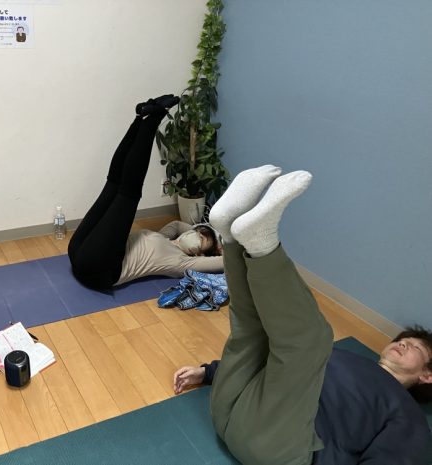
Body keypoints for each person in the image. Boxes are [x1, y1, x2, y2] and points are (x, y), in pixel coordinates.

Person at [173, 165, 432, 465]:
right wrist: (207, 373)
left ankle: (262, 244)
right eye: (401, 340)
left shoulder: (407, 415)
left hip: (281, 445)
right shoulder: (348, 358)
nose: (402, 343)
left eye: (415, 347)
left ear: (427, 375)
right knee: (252, 328)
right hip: (228, 407)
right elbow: (276, 365)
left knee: (313, 340)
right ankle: (229, 234)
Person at [68, 95, 223, 290]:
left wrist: (220, 246)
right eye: (197, 233)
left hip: (98, 270)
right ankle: (140, 118)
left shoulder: (181, 263)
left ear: (199, 254)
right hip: (77, 251)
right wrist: (205, 231)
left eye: (200, 239)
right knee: (113, 183)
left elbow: (224, 263)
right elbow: (176, 225)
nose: (194, 234)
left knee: (128, 193)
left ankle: (154, 119)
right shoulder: (165, 237)